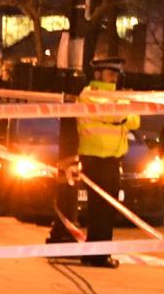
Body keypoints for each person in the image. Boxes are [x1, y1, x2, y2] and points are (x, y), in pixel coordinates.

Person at [50, 50, 138, 268]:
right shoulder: (89, 94)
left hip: (111, 158)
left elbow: (134, 119)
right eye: (111, 74)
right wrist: (122, 114)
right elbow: (118, 115)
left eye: (117, 74)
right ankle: (98, 255)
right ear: (99, 74)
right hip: (97, 158)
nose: (115, 78)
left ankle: (96, 252)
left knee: (105, 209)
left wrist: (123, 114)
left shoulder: (115, 96)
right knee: (101, 209)